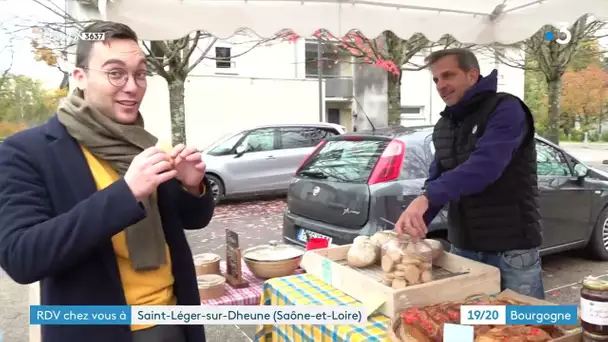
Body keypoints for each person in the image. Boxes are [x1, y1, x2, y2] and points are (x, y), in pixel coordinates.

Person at [0, 21, 214, 342]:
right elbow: (22, 257)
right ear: (80, 77)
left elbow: (192, 220)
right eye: (116, 73)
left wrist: (192, 186)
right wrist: (126, 194)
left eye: (140, 74)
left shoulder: (145, 145)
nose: (132, 86)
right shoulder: (27, 152)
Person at [395, 48, 545, 299]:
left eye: (448, 75)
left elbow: (484, 167)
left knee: (527, 329)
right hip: (463, 247)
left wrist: (426, 198)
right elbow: (437, 179)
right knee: (473, 327)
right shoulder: (444, 125)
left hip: (510, 249)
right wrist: (416, 221)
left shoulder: (506, 108)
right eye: (436, 80)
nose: (441, 85)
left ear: (472, 75)